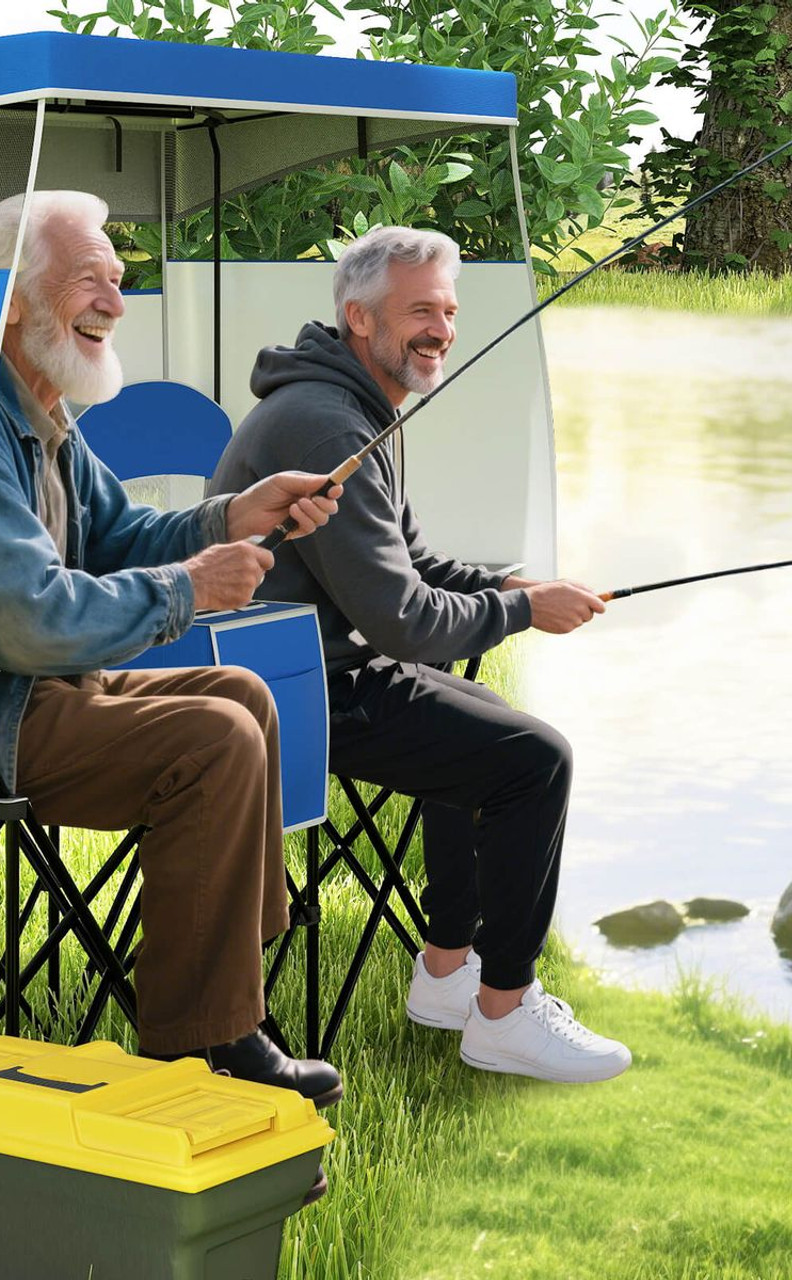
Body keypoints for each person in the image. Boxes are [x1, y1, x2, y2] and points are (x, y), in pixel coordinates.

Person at [0, 191, 346, 1124]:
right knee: (216, 739)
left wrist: (237, 513)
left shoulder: (42, 409)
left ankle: (230, 1005)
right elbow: (27, 620)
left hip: (28, 693)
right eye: (89, 279)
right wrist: (191, 589)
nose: (115, 297)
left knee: (243, 696)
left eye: (119, 277)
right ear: (12, 301)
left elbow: (118, 533)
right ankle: (197, 1058)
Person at [209, 225, 632, 1084]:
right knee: (533, 762)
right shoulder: (327, 424)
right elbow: (403, 621)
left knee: (492, 731)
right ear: (359, 319)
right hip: (284, 688)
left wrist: (506, 582)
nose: (441, 329)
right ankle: (505, 1013)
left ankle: (447, 973)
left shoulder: (354, 406)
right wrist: (518, 609)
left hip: (315, 662)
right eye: (420, 312)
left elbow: (406, 564)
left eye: (449, 309)